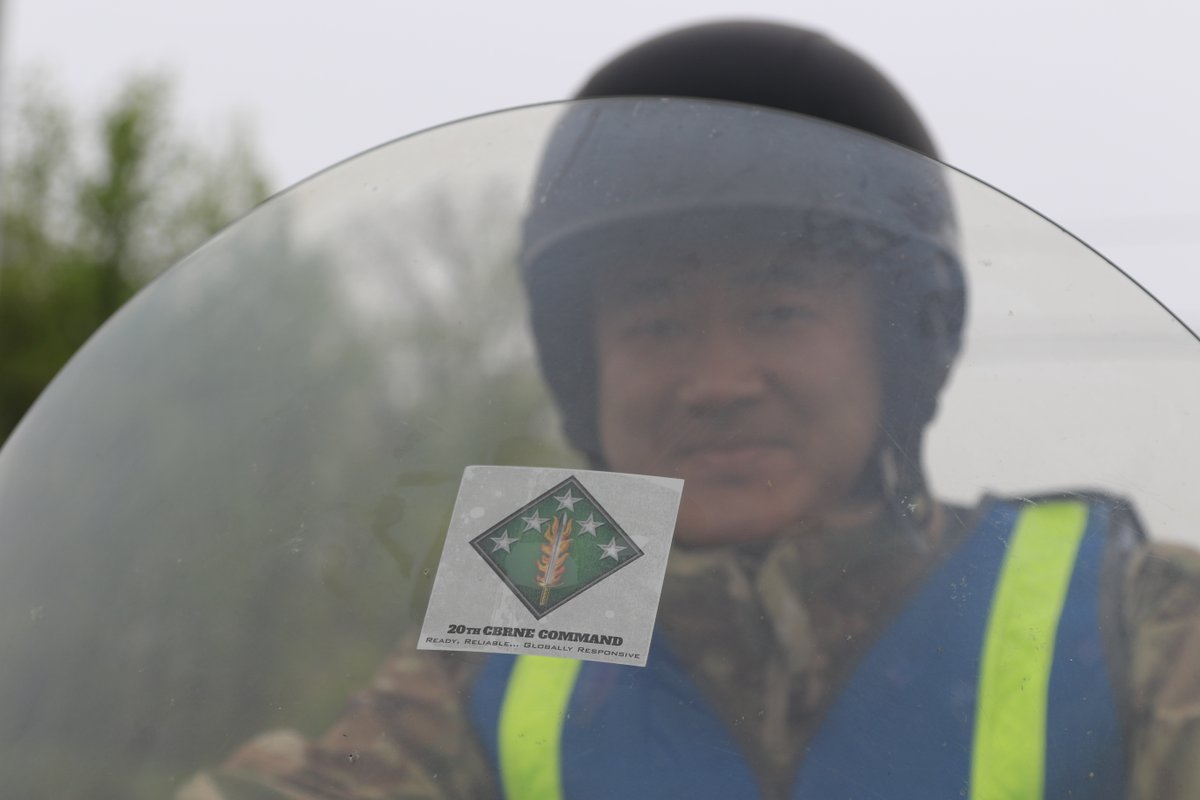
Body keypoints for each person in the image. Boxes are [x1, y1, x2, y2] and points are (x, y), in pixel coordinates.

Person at [180, 22, 1200, 800]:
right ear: (587, 370)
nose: (715, 379)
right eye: (655, 325)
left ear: (899, 344)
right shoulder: (550, 572)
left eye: (777, 309)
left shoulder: (1130, 608)